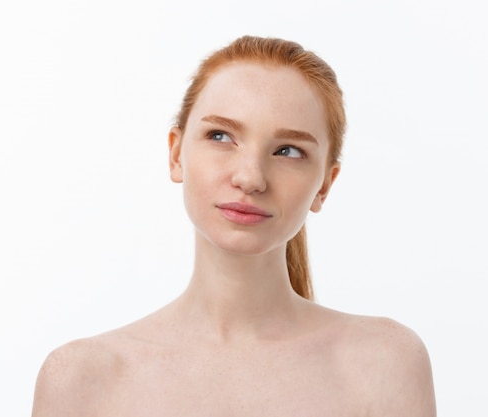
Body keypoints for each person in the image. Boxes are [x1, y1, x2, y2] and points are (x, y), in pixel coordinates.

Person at [31, 35, 436, 416]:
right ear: (176, 155)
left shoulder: (384, 363)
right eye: (221, 136)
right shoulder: (82, 379)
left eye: (288, 150)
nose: (250, 178)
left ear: (325, 186)